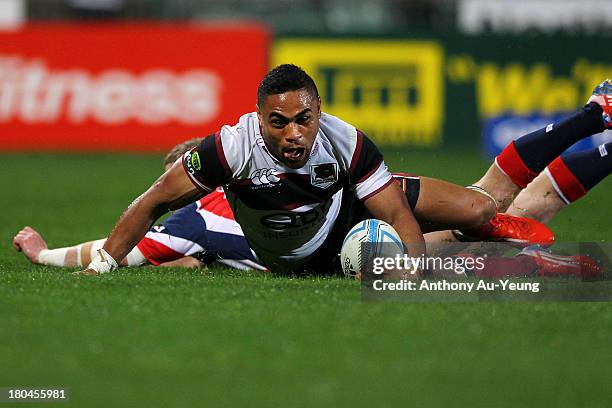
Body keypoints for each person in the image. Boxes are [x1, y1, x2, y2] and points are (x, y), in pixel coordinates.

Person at [76, 64, 565, 276]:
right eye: (278, 122)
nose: (293, 134)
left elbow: (394, 213)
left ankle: (473, 229)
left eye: (304, 120)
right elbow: (156, 197)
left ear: (319, 111)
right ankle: (468, 239)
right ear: (258, 117)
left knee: (479, 205)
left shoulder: (345, 140)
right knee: (454, 230)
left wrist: (414, 271)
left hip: (342, 209)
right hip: (308, 253)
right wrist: (104, 263)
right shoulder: (231, 149)